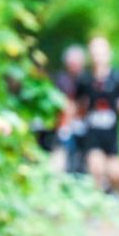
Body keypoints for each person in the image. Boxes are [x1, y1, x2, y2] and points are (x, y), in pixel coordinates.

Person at [77, 36, 119, 193]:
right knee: (96, 168)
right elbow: (77, 105)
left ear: (109, 53)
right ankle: (100, 198)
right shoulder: (85, 79)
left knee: (116, 174)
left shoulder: (118, 77)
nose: (98, 56)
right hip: (92, 133)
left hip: (111, 134)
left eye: (101, 52)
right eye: (94, 52)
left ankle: (110, 191)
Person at [53, 44, 88, 174]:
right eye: (72, 62)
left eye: (77, 62)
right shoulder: (60, 80)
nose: (74, 65)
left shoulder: (88, 80)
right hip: (64, 126)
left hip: (86, 126)